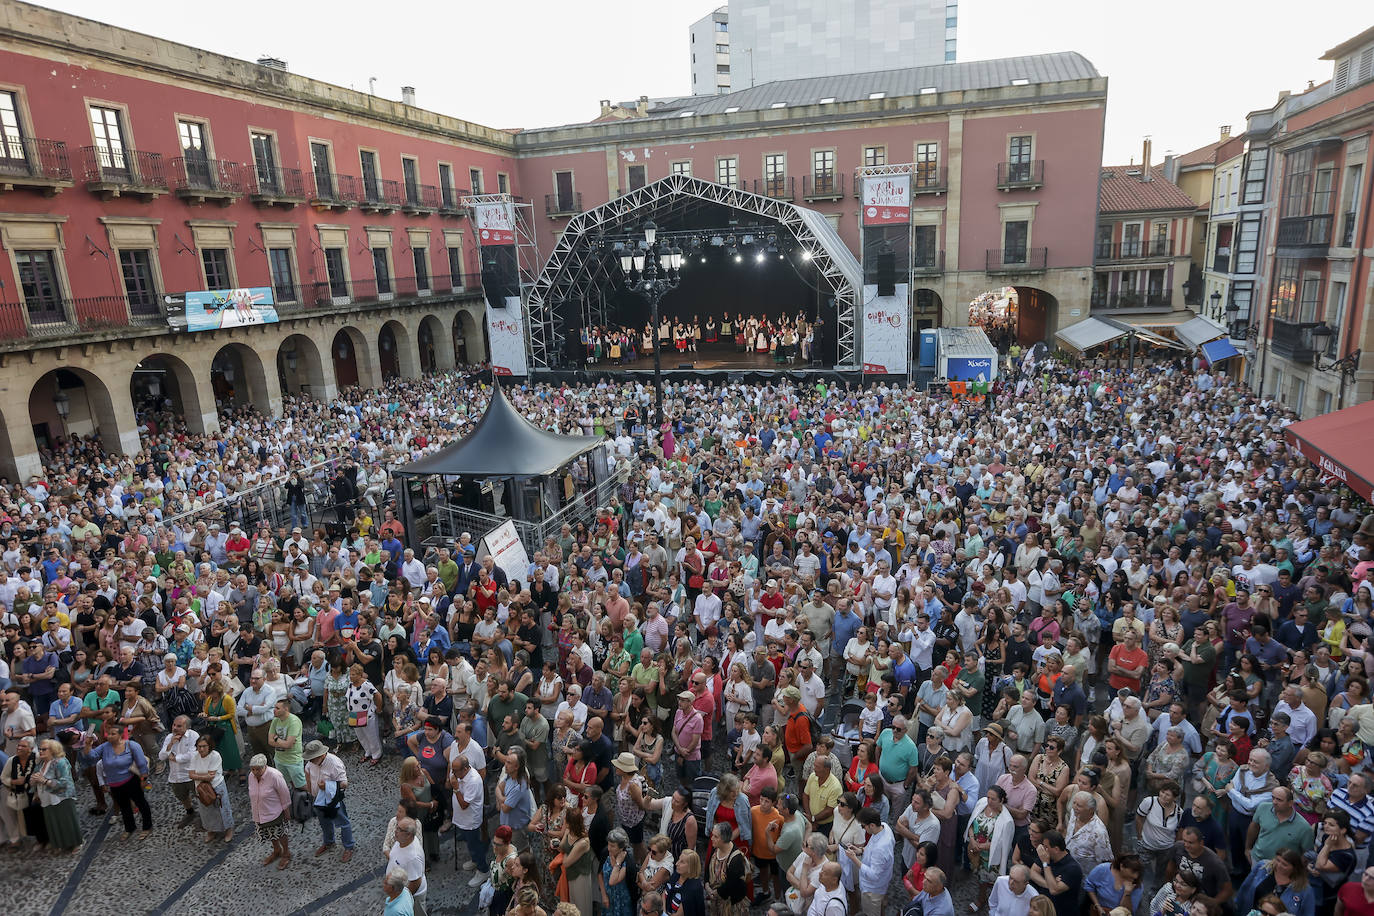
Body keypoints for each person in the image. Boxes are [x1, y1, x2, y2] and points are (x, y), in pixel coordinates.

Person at [304, 738, 354, 862]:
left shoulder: (335, 763)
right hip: (318, 799)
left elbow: (344, 783)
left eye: (313, 758)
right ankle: (329, 842)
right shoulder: (311, 763)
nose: (310, 761)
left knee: (343, 822)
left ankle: (349, 847)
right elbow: (308, 776)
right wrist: (310, 794)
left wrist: (327, 785)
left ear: (321, 755)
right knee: (324, 822)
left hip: (332, 799)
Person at [32, 738, 80, 852]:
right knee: (53, 822)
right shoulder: (41, 764)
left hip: (61, 797)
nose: (41, 751)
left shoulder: (60, 762)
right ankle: (60, 843)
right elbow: (36, 778)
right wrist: (34, 784)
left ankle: (75, 843)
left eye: (44, 749)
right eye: (39, 749)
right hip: (47, 798)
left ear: (53, 750)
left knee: (66, 821)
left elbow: (64, 782)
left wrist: (44, 781)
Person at [248, 754, 292, 870]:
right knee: (269, 832)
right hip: (260, 812)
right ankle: (277, 850)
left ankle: (286, 853)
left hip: (275, 812)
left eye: (258, 769)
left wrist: (286, 811)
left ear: (265, 766)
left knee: (281, 833)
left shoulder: (274, 776)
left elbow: (284, 794)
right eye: (253, 769)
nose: (255, 772)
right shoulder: (251, 776)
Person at [188, 731, 235, 842]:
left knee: (222, 809)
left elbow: (211, 777)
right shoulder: (195, 756)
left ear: (210, 746)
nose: (201, 749)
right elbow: (191, 775)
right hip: (200, 788)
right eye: (199, 746)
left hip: (216, 787)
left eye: (204, 746)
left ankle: (228, 829)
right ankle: (211, 830)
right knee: (206, 811)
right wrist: (204, 776)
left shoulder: (215, 756)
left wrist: (197, 776)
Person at [1030, 830, 1083, 916]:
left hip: (1062, 912)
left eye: (1046, 847)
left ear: (1056, 849)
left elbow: (1054, 890)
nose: (1043, 849)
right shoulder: (1047, 855)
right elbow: (1033, 873)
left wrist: (1046, 864)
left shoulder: (1073, 868)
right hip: (1044, 911)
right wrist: (1049, 883)